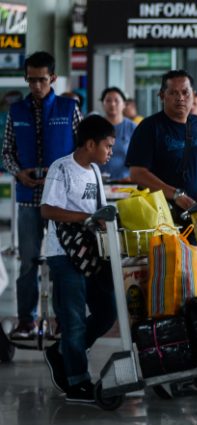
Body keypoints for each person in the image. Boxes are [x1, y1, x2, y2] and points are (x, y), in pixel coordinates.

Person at [2, 51, 82, 339]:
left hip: (60, 201)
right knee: (27, 262)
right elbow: (7, 153)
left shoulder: (68, 108)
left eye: (42, 80)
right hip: (27, 199)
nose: (36, 86)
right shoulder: (16, 111)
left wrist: (60, 175)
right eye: (31, 80)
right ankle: (26, 320)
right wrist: (19, 172)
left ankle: (63, 320)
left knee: (62, 262)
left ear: (54, 78)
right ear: (26, 78)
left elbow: (81, 151)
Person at [41, 115, 117, 402]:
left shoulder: (95, 171)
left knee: (106, 311)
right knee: (72, 320)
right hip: (63, 254)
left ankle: (62, 352)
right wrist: (87, 218)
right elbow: (47, 210)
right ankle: (77, 382)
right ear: (90, 143)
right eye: (107, 146)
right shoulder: (61, 168)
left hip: (90, 253)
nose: (110, 152)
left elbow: (100, 208)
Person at [126, 69, 197, 220]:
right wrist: (176, 195)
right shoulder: (149, 127)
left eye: (185, 92)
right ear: (162, 95)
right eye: (173, 93)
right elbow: (136, 173)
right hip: (162, 218)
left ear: (193, 95)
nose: (180, 98)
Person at [99, 87, 136, 182]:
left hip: (126, 181)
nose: (112, 104)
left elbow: (141, 157)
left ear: (124, 104)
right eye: (108, 100)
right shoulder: (95, 126)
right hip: (98, 181)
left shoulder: (133, 128)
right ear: (103, 104)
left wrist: (133, 176)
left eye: (116, 100)